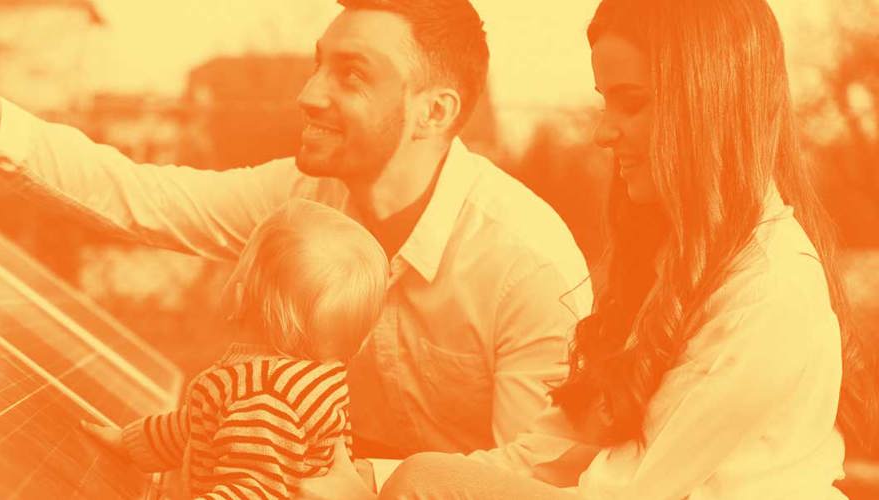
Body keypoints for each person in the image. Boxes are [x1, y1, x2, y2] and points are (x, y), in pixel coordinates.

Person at [0, 0, 593, 476]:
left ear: (433, 112)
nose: (309, 94)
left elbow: (534, 473)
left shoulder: (525, 266)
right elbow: (142, 197)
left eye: (351, 75)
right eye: (319, 63)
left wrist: (367, 484)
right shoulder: (298, 198)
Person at [374, 0, 877, 498]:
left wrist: (421, 482)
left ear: (709, 102)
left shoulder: (768, 292)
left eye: (631, 102)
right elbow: (549, 458)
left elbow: (624, 495)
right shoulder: (672, 264)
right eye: (604, 101)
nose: (603, 132)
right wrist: (360, 480)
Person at [81, 199, 388, 499]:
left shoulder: (264, 400)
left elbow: (251, 490)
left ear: (240, 297)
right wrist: (131, 443)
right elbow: (196, 424)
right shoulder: (306, 382)